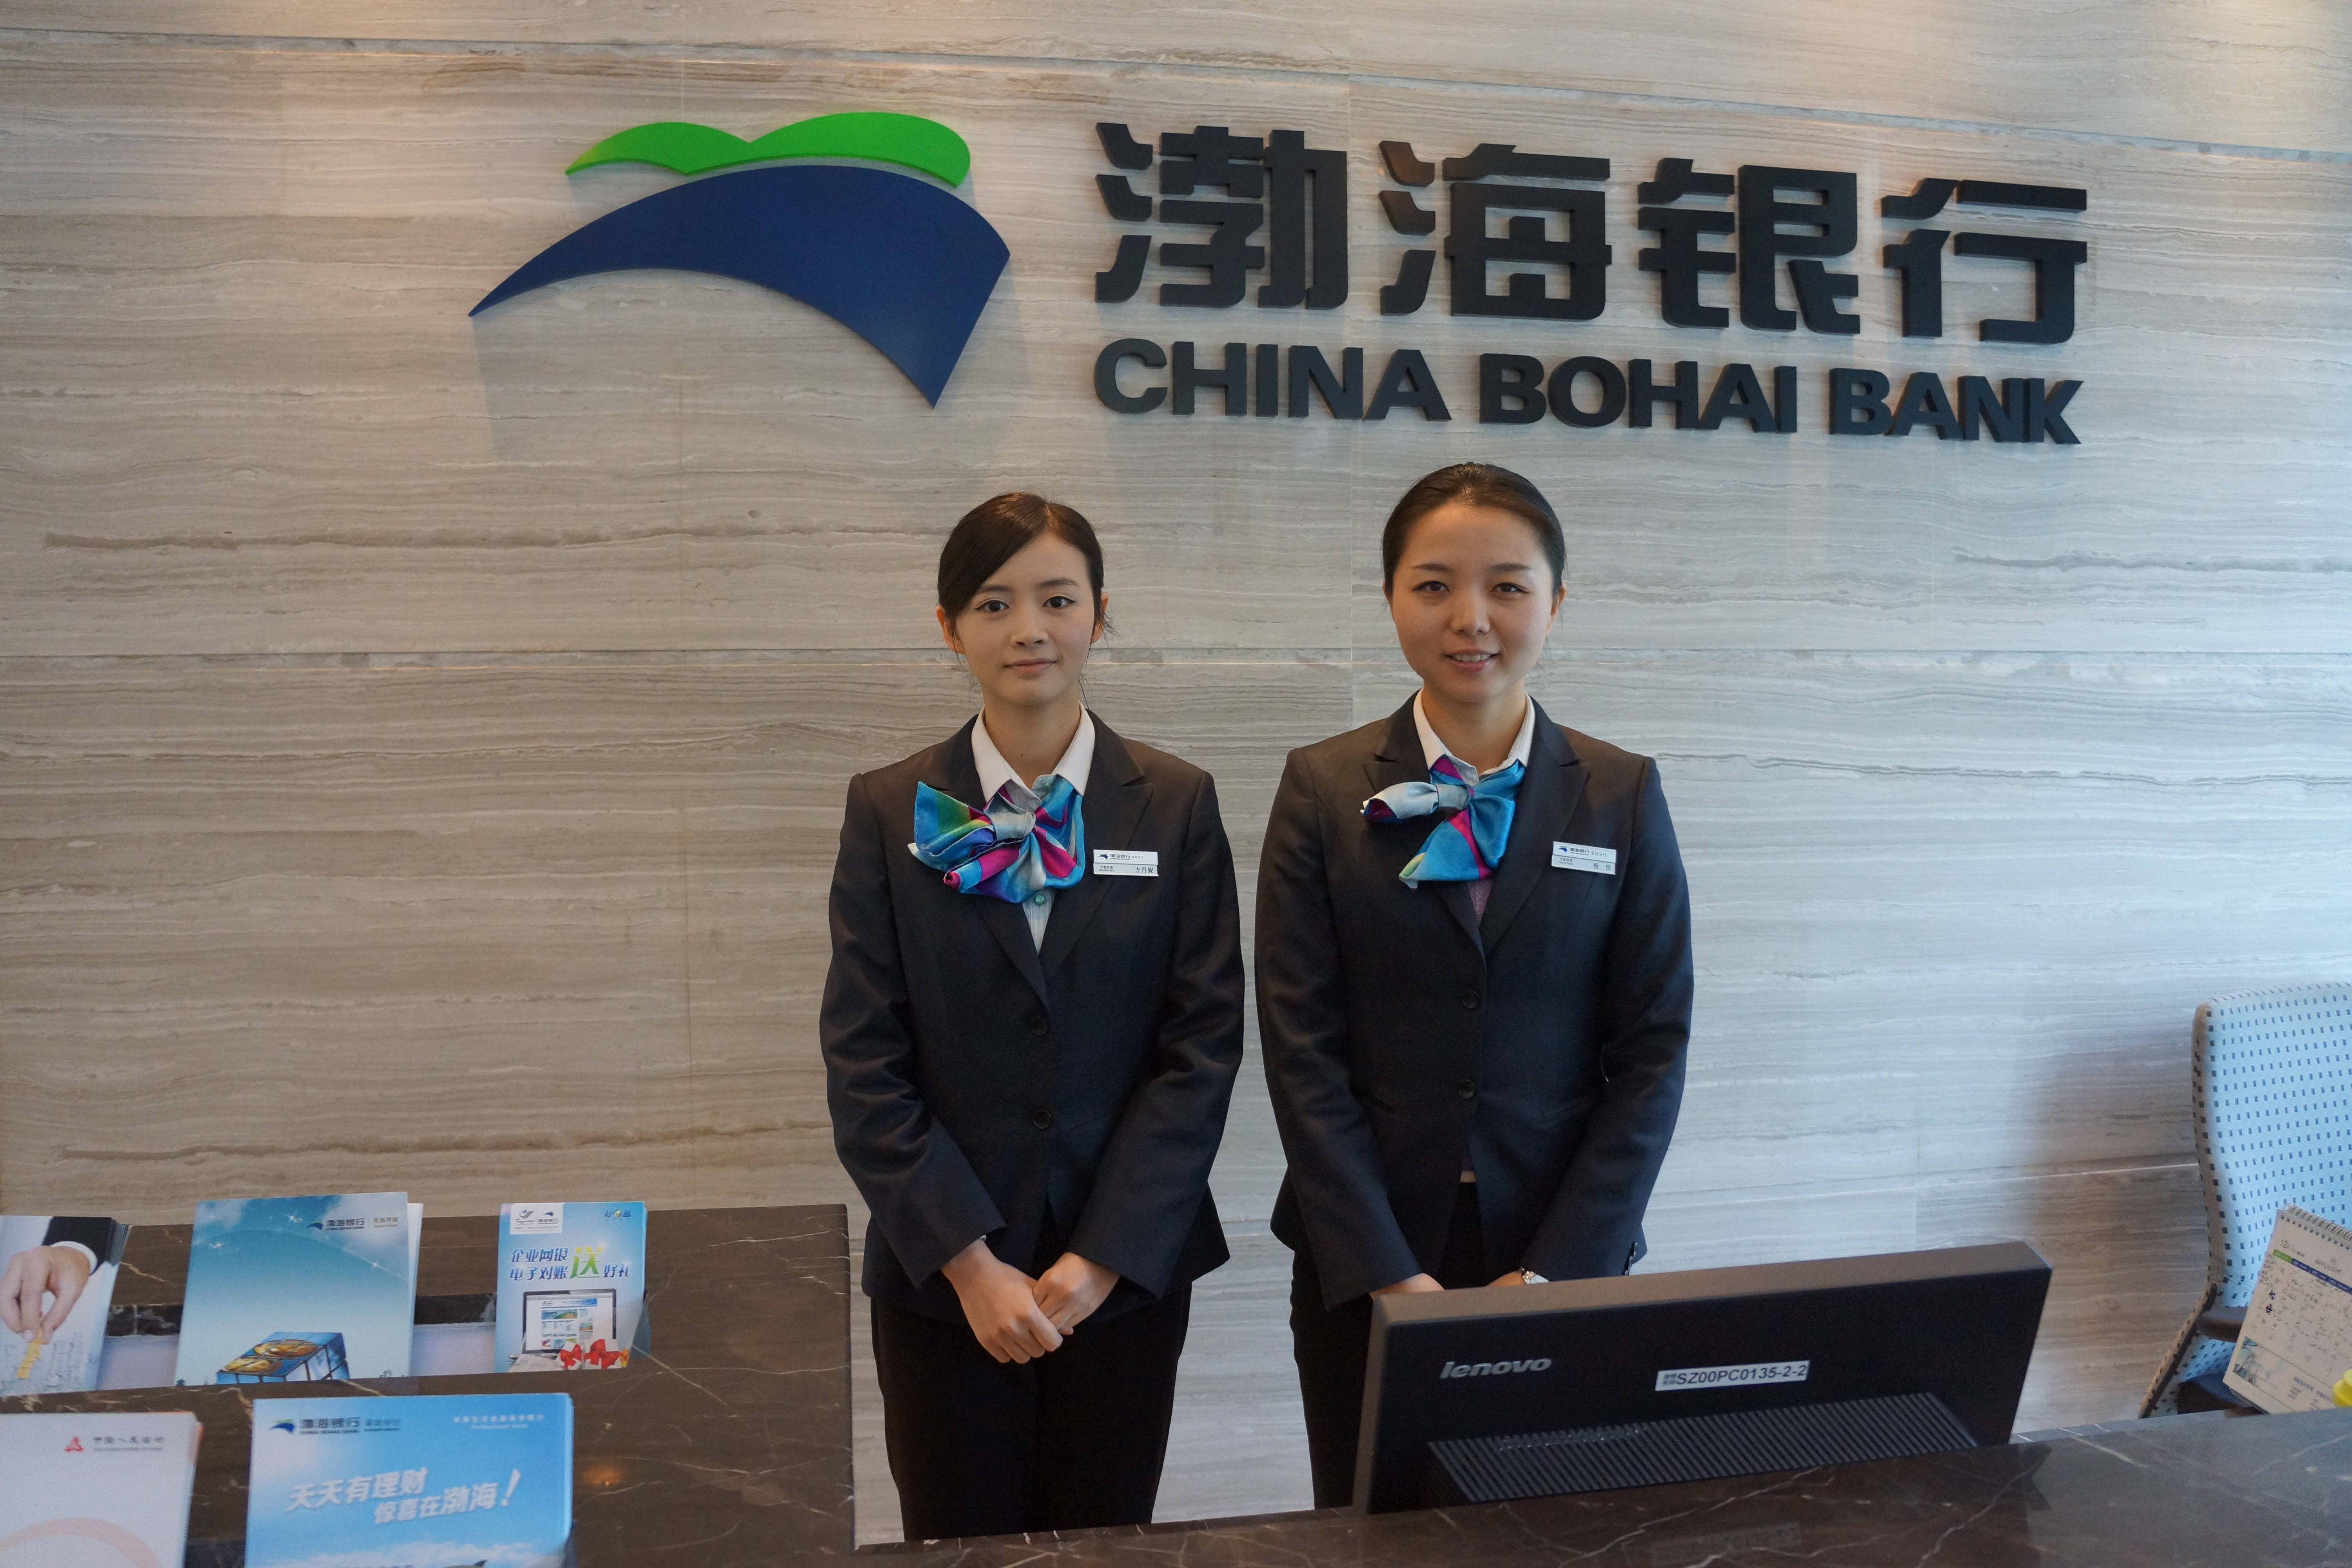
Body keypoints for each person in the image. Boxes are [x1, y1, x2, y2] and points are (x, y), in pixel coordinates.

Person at [1257, 462, 1694, 1508]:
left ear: (1556, 601)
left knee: (1555, 1531)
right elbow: (1300, 1047)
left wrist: (1556, 1273)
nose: (1472, 618)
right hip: (1366, 1251)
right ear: (1391, 598)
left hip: (1559, 1248)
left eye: (1507, 586)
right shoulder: (1322, 789)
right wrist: (1385, 1269)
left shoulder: (1621, 793)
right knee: (1374, 1527)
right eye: (1434, 585)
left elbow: (1652, 1050)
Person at [822, 492, 1245, 1539]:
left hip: (1125, 1276)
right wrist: (970, 1263)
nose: (1029, 629)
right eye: (993, 603)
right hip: (945, 1280)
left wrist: (1102, 1257)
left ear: (1099, 612)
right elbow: (865, 1057)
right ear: (948, 625)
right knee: (957, 1541)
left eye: (1057, 599)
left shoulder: (1176, 802)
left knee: (1108, 1539)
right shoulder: (891, 809)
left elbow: (1200, 1047)